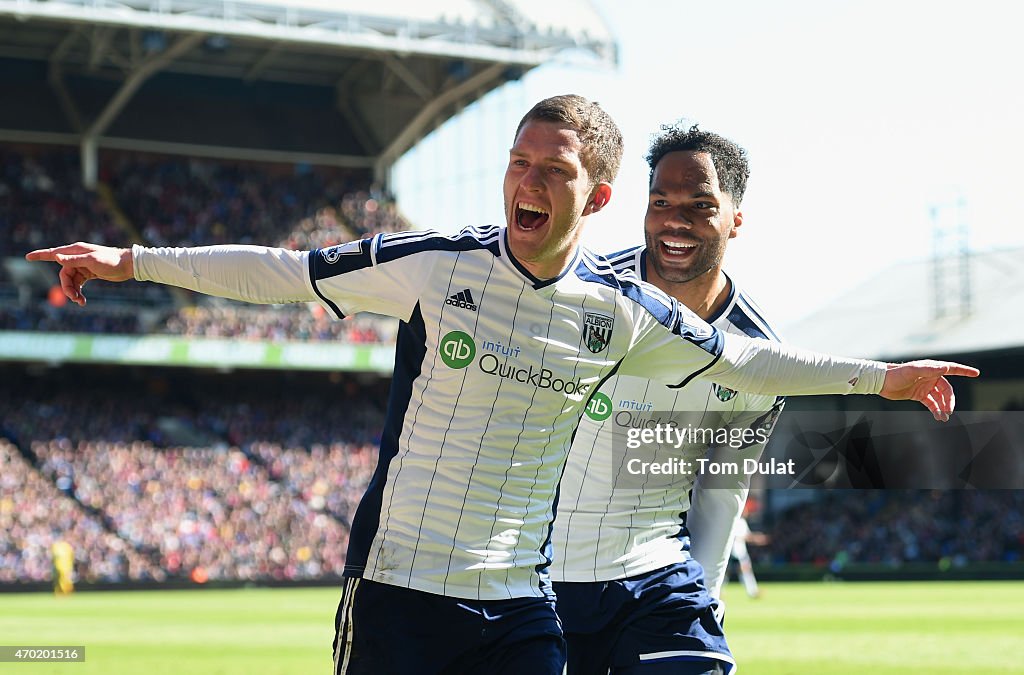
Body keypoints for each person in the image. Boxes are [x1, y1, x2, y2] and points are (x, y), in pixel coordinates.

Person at [26, 95, 977, 675]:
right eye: (517, 163)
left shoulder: (619, 314)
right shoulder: (439, 265)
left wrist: (883, 378)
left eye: (550, 170)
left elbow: (744, 368)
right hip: (401, 590)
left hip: (532, 605)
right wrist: (130, 258)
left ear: (593, 196)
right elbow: (284, 269)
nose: (524, 182)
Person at [550, 123, 782, 674]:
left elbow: (721, 492)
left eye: (700, 204)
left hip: (656, 576)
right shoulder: (580, 296)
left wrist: (709, 598)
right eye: (661, 202)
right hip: (539, 575)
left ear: (735, 219)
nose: (676, 220)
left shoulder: (757, 355)